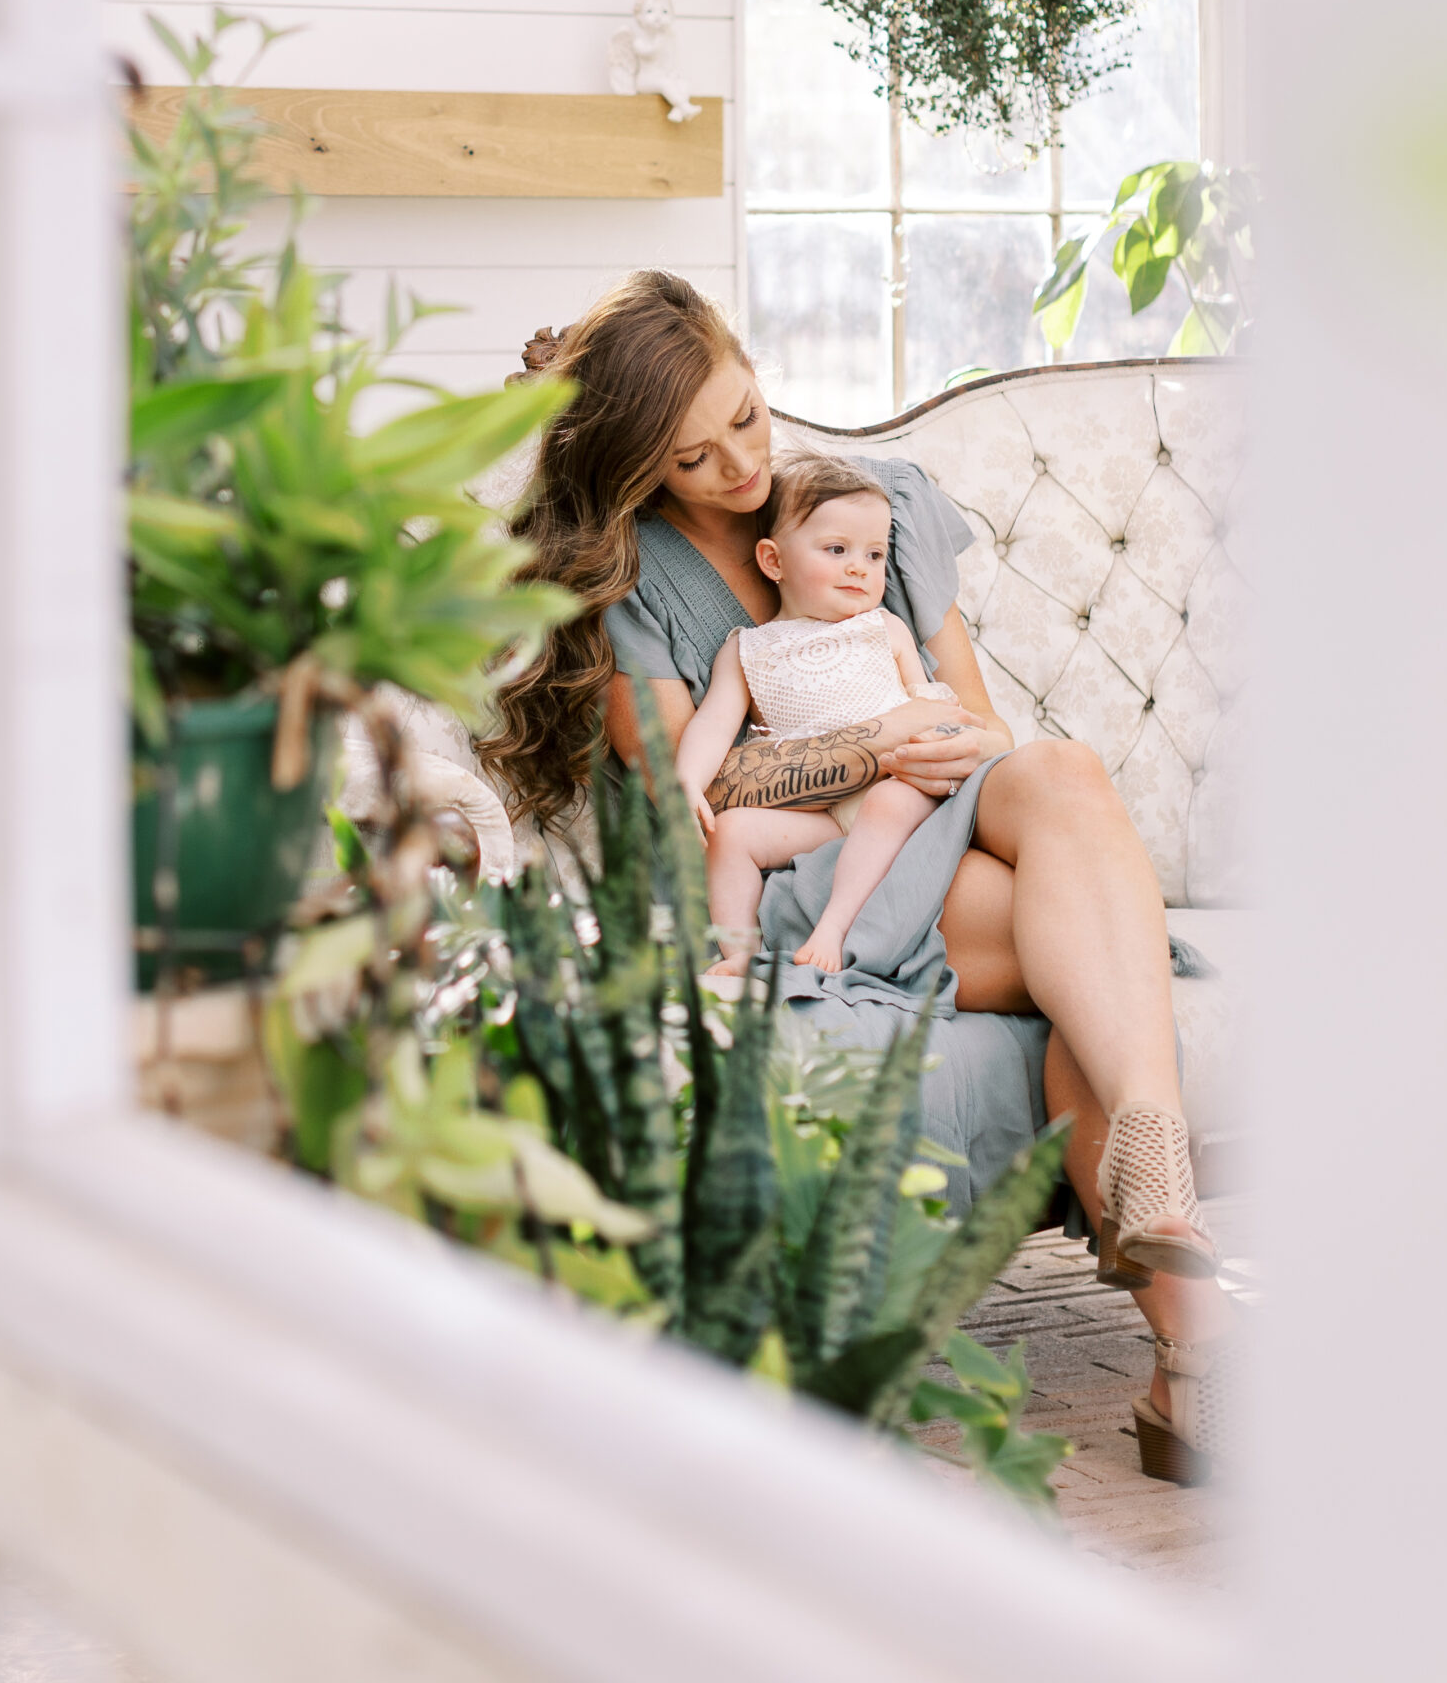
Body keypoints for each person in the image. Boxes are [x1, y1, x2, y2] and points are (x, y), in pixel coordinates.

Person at [482, 270, 1237, 1488]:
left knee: (1058, 771)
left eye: (745, 415)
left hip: (940, 816)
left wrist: (927, 749)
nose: (738, 464)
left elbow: (978, 727)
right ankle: (1192, 1355)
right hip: (795, 871)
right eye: (690, 457)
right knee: (1084, 967)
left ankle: (1148, 1159)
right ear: (636, 471)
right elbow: (706, 793)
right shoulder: (632, 583)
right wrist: (868, 746)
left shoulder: (865, 505)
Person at [676, 455, 965, 984]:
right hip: (824, 816)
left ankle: (830, 931)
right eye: (837, 550)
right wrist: (689, 781)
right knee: (732, 833)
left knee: (885, 801)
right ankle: (740, 950)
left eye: (875, 554)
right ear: (774, 561)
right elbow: (715, 723)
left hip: (901, 791)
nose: (860, 567)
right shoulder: (748, 649)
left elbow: (929, 702)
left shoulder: (884, 628)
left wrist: (944, 742)